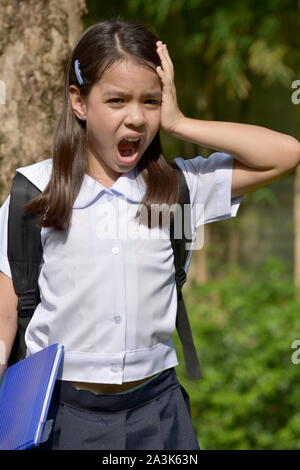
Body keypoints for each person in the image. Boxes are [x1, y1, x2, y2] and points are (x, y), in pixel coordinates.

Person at [0, 18, 299, 451]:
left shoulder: (181, 186)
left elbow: (284, 154)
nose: (137, 118)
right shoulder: (34, 192)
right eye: (117, 100)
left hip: (158, 412)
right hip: (61, 416)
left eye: (151, 101)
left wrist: (180, 123)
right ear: (78, 102)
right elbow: (6, 315)